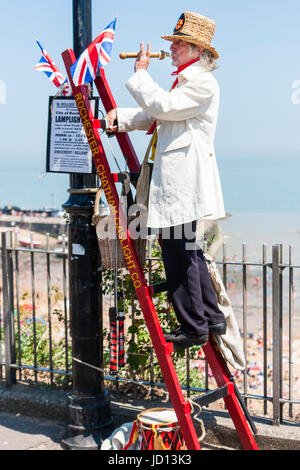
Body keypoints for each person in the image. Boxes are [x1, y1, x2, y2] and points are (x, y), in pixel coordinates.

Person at [105, 12, 227, 350]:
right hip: (180, 181)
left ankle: (194, 325)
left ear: (194, 48)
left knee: (178, 253)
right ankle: (211, 316)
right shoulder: (188, 80)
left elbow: (165, 106)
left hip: (184, 182)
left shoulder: (201, 83)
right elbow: (158, 114)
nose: (171, 48)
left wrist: (141, 75)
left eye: (177, 43)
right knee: (187, 249)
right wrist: (124, 120)